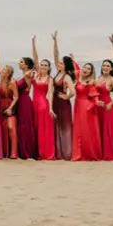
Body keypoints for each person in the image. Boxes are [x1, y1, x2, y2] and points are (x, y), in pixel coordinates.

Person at [71, 63, 103, 161]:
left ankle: (87, 153)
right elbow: (74, 67)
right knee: (78, 129)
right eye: (85, 67)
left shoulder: (90, 82)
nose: (86, 69)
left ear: (91, 72)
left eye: (89, 69)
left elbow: (94, 94)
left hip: (86, 107)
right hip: (77, 105)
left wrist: (97, 102)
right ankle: (78, 153)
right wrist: (72, 59)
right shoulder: (78, 77)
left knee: (86, 130)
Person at [51, 32, 75, 160]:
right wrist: (55, 41)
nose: (58, 64)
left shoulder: (66, 77)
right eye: (58, 63)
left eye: (61, 63)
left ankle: (66, 152)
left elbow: (73, 91)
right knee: (57, 125)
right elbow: (55, 56)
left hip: (63, 103)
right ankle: (58, 151)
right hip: (55, 101)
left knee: (65, 126)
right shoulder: (58, 73)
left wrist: (66, 97)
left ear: (65, 65)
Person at [31, 36, 56, 160]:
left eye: (46, 65)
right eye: (42, 65)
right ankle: (38, 152)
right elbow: (35, 59)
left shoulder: (49, 79)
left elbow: (50, 93)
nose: (43, 66)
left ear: (49, 68)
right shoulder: (36, 76)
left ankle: (47, 153)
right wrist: (33, 44)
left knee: (44, 129)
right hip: (34, 103)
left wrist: (50, 108)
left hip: (43, 105)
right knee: (36, 128)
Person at [0, 47, 19, 159]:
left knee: (11, 127)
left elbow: (16, 97)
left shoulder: (12, 82)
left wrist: (10, 108)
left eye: (5, 70)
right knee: (3, 128)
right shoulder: (1, 78)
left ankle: (14, 152)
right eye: (3, 70)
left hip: (9, 104)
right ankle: (5, 152)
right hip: (1, 104)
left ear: (9, 73)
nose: (2, 71)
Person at [15, 56, 38, 160]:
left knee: (25, 125)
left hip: (25, 100)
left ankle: (27, 151)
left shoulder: (29, 74)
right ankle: (21, 150)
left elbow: (28, 86)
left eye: (21, 62)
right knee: (20, 125)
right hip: (19, 101)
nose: (19, 63)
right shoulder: (21, 75)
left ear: (26, 64)